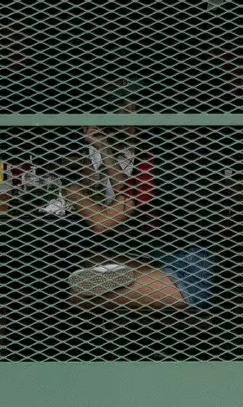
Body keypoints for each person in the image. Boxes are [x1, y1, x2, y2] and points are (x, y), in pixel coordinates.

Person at [52, 114, 214, 313]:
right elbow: (127, 197)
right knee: (87, 265)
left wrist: (104, 150)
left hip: (190, 272)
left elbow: (116, 212)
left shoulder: (155, 163)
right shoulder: (80, 172)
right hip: (157, 256)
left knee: (76, 291)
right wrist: (103, 148)